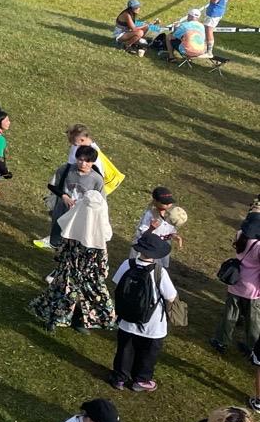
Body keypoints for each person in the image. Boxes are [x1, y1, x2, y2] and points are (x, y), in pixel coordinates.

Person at [29, 189, 116, 332]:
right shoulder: (95, 213)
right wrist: (103, 269)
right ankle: (56, 320)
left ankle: (77, 320)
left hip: (85, 268)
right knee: (67, 293)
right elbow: (101, 250)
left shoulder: (79, 213)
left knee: (76, 294)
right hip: (74, 266)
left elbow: (67, 244)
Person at [110, 231, 178, 392]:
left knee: (125, 349)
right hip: (152, 323)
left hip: (126, 319)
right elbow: (171, 296)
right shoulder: (159, 271)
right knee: (148, 353)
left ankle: (119, 377)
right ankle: (141, 380)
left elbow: (116, 282)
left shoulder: (127, 264)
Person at [39, 146, 106, 251]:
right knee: (58, 230)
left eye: (87, 161)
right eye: (80, 160)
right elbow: (52, 185)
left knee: (74, 238)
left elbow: (100, 201)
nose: (83, 164)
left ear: (93, 162)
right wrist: (64, 196)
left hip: (81, 215)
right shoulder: (66, 169)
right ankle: (55, 245)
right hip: (62, 209)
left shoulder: (97, 179)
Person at [213, 211, 260, 356]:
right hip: (252, 288)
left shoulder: (240, 236)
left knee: (230, 315)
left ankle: (221, 341)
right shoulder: (258, 246)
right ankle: (254, 347)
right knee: (253, 321)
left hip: (235, 282)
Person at [133, 187, 184, 269]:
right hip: (148, 246)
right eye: (164, 202)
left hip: (160, 246)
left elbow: (170, 230)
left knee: (158, 268)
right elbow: (143, 232)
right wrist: (151, 228)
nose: (168, 204)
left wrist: (174, 236)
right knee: (143, 266)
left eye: (169, 202)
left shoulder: (171, 215)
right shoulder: (150, 214)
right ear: (156, 201)